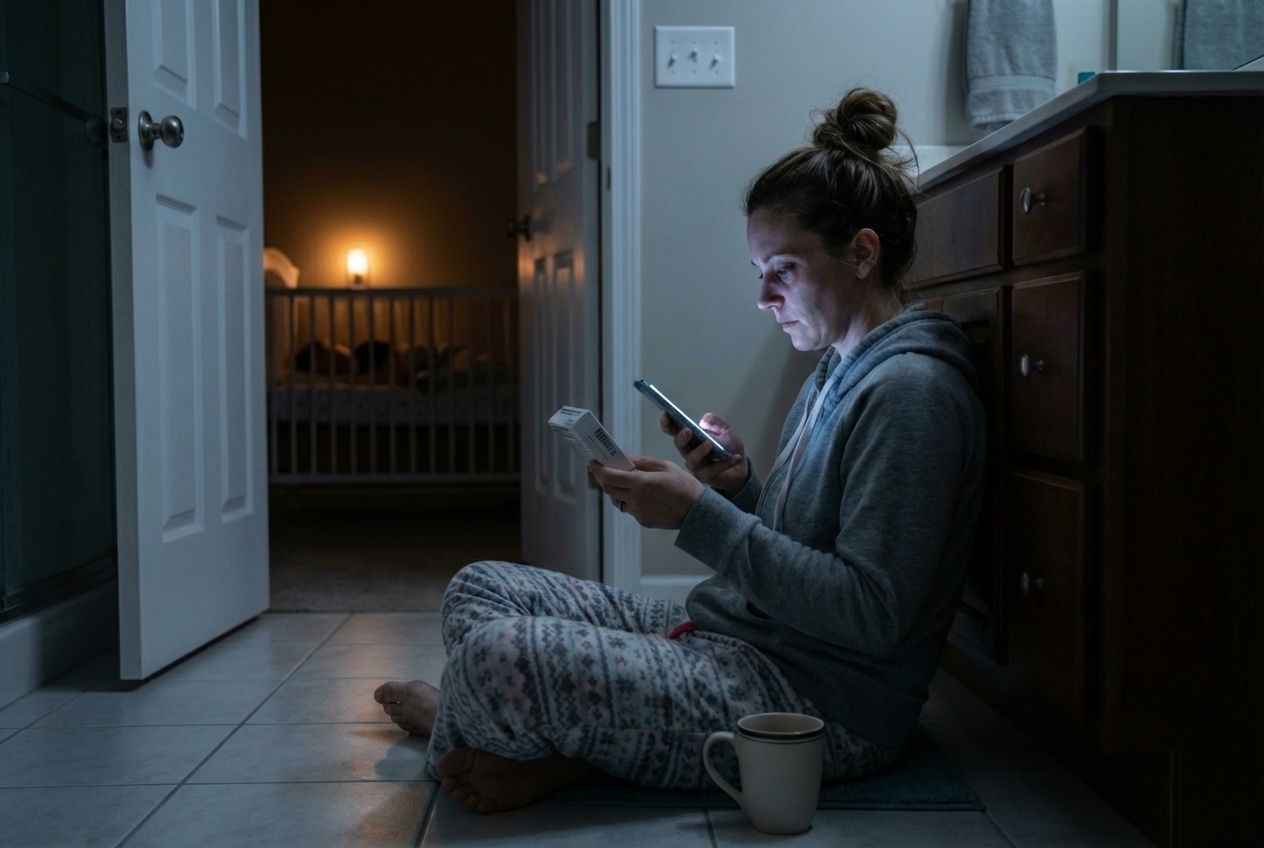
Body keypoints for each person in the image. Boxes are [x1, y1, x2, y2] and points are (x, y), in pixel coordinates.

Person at [374, 87, 986, 814]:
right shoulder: (835, 370)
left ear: (860, 254)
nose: (764, 295)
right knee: (481, 587)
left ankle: (492, 730)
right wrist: (734, 488)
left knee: (491, 658)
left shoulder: (912, 394)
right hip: (735, 641)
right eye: (759, 270)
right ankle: (552, 750)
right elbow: (803, 549)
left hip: (812, 705)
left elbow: (869, 612)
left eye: (783, 269)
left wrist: (699, 518)